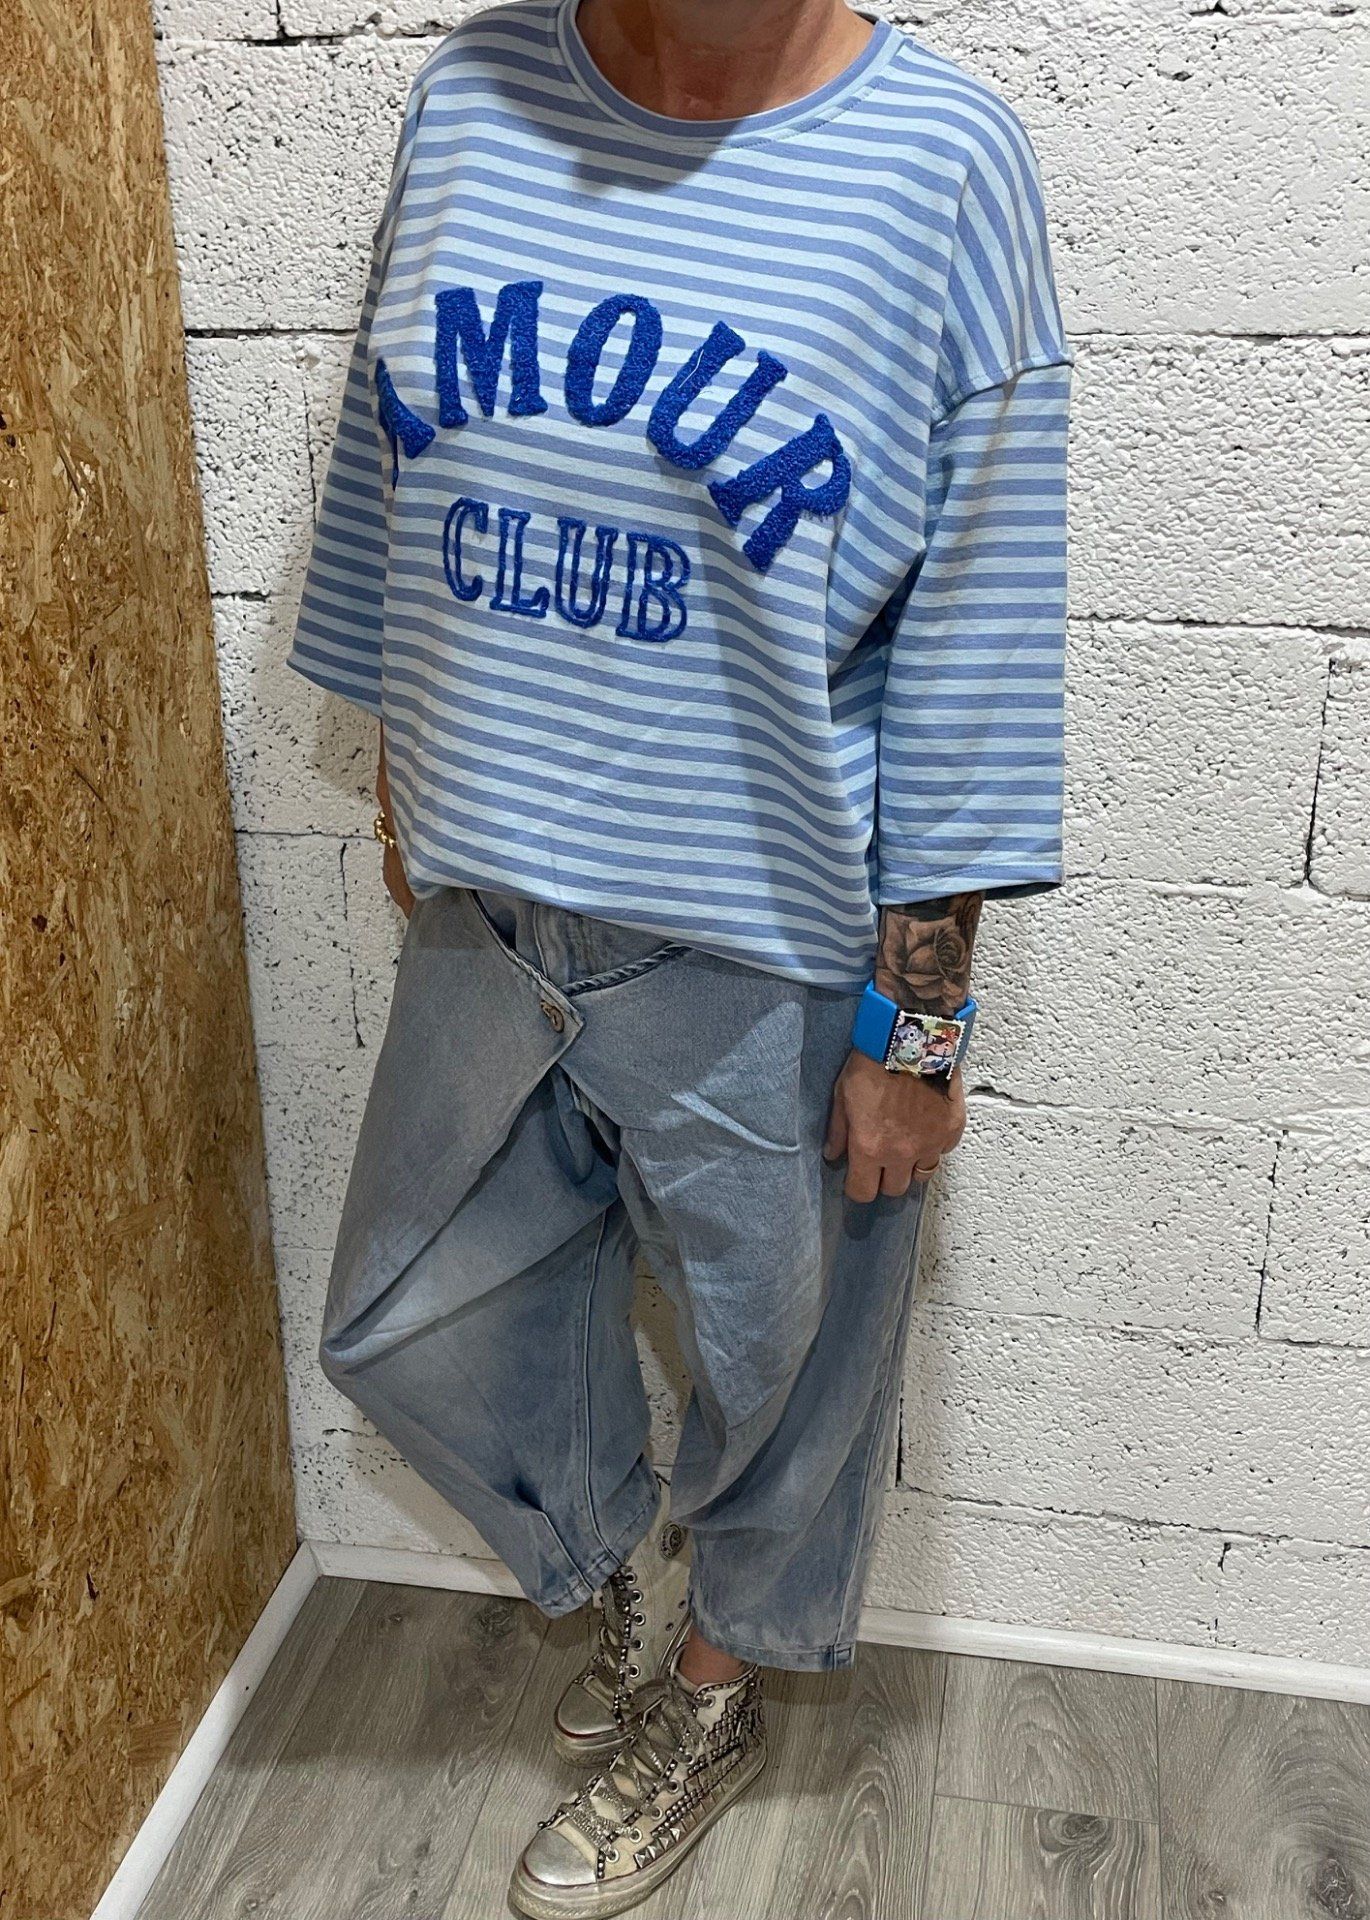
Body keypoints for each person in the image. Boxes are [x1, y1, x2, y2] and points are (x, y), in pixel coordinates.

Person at [286, 0, 1072, 1910]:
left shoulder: (943, 166)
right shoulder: (469, 94)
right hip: (490, 910)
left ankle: (716, 1687)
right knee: (416, 1304)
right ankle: (608, 1569)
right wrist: (399, 774)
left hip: (762, 946)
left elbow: (972, 629)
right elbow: (387, 466)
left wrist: (920, 1033)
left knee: (786, 1365)